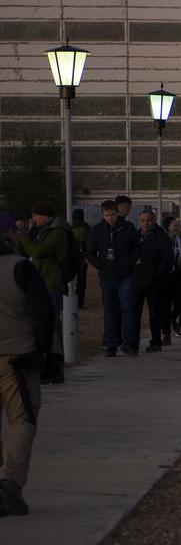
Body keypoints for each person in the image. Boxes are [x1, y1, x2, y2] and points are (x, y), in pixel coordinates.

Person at [0, 213, 54, 517]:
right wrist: (43, 352)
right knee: (22, 421)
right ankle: (9, 483)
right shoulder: (21, 268)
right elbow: (44, 312)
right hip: (17, 360)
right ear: (9, 235)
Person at [17, 202, 70, 382]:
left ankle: (56, 367)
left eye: (35, 216)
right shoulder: (41, 232)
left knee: (52, 324)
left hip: (52, 282)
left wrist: (21, 236)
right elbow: (26, 251)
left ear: (44, 216)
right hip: (41, 281)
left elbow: (38, 251)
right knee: (42, 324)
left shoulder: (57, 233)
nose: (33, 219)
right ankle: (46, 366)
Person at [86, 198, 140, 357]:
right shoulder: (97, 230)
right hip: (107, 276)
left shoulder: (128, 228)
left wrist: (128, 265)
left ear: (118, 213)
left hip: (125, 275)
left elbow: (136, 249)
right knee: (110, 311)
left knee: (128, 309)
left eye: (114, 214)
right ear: (103, 215)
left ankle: (129, 343)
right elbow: (90, 252)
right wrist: (101, 265)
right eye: (107, 215)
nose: (111, 218)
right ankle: (111, 343)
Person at [134, 209, 174, 353]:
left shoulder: (162, 238)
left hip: (155, 284)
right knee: (134, 315)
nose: (146, 223)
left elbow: (168, 259)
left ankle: (155, 341)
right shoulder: (135, 237)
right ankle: (133, 342)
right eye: (143, 220)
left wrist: (158, 274)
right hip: (138, 282)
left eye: (149, 220)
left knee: (155, 315)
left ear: (154, 220)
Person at [71, 208, 89, 309]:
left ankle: (68, 300)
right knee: (81, 282)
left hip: (71, 257)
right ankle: (79, 303)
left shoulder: (70, 225)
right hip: (82, 258)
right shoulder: (86, 227)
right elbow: (89, 243)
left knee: (70, 280)